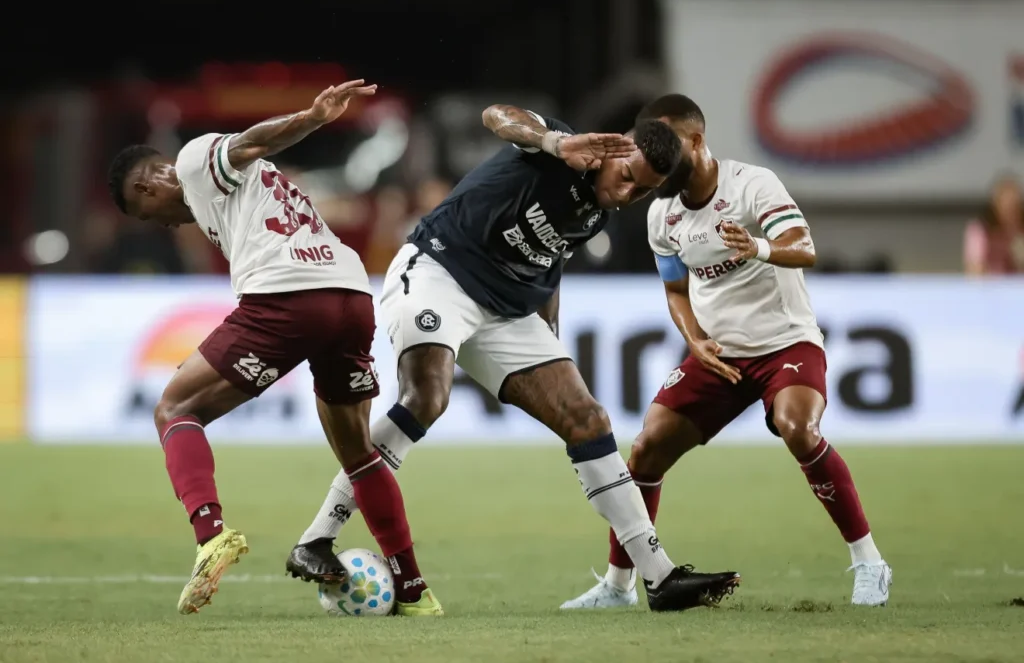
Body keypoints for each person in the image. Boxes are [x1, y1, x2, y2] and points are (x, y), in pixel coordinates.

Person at [289, 104, 741, 612]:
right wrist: (553, 143)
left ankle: (659, 578)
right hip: (439, 273)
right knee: (426, 398)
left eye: (641, 191)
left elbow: (551, 264)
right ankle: (317, 536)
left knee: (588, 420)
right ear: (617, 145)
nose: (626, 194)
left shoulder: (598, 211)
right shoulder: (559, 146)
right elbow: (495, 116)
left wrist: (550, 339)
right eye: (627, 177)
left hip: (505, 312)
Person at [106, 80, 442, 616]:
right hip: (351, 295)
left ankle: (211, 535)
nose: (165, 223)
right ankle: (415, 593)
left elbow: (252, 141)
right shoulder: (221, 198)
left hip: (287, 297)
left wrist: (312, 117)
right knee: (358, 454)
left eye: (149, 213)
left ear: (147, 185)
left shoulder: (193, 162)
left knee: (174, 408)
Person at [560, 94, 891, 610]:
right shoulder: (661, 214)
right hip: (719, 356)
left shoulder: (752, 185)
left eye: (666, 141)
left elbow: (804, 247)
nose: (656, 152)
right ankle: (619, 586)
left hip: (785, 343)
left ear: (695, 140)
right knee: (646, 449)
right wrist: (694, 338)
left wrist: (757, 246)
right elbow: (676, 290)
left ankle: (869, 562)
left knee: (799, 429)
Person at [963, 173, 1024, 275]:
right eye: (1006, 205)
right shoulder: (980, 229)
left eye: (1014, 206)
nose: (1009, 211)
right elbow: (974, 270)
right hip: (991, 283)